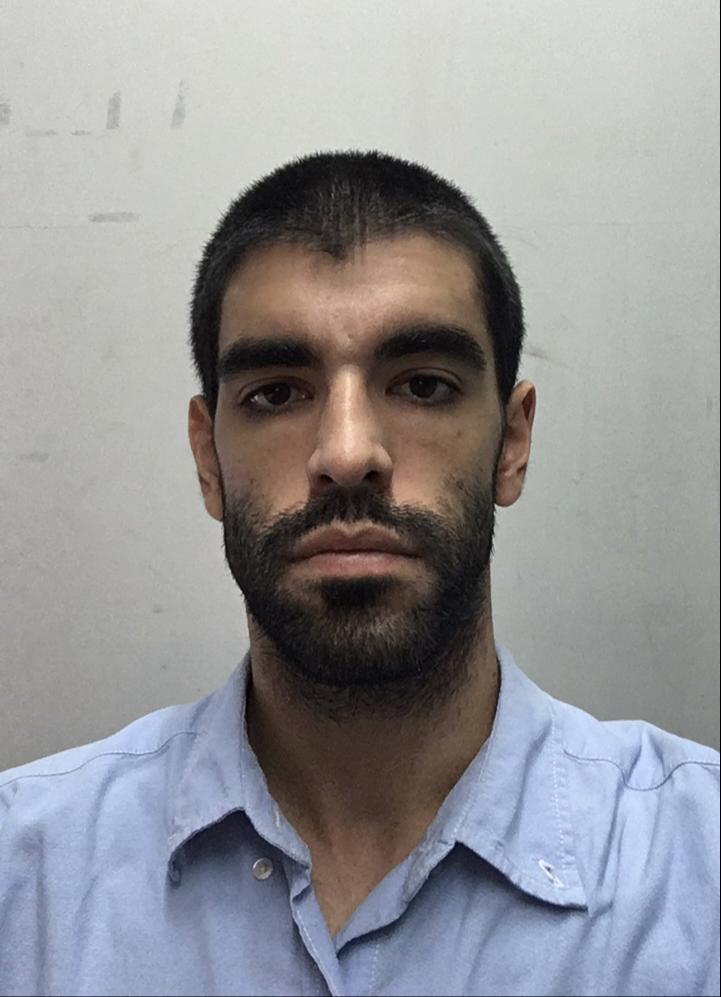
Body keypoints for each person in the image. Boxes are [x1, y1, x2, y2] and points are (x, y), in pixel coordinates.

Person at [0, 149, 718, 997]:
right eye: (276, 393)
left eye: (423, 385)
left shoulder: (696, 866)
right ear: (207, 459)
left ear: (512, 443)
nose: (346, 454)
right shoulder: (25, 874)